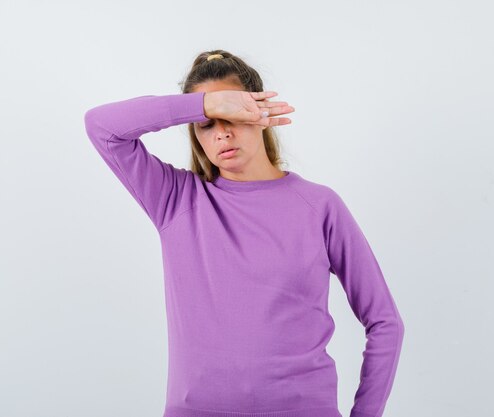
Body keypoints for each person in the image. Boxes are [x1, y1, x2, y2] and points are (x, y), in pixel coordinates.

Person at [83, 49, 405, 417]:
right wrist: (206, 103)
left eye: (232, 116)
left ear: (261, 113)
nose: (221, 132)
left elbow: (384, 322)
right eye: (208, 122)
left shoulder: (319, 206)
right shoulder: (175, 200)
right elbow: (102, 127)